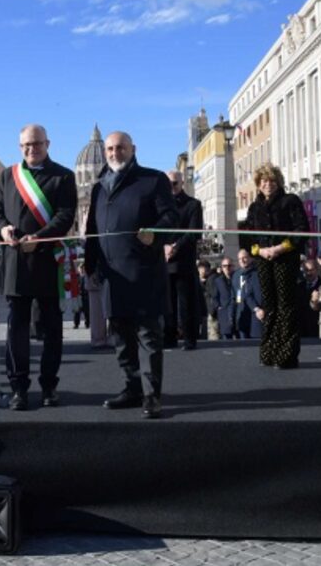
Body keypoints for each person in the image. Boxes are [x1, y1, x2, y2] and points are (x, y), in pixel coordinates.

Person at [85, 131, 177, 419]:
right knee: (121, 338)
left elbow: (171, 217)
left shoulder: (153, 179)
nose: (114, 153)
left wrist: (156, 233)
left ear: (132, 149)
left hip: (144, 273)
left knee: (148, 337)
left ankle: (152, 395)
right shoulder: (99, 186)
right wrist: (89, 263)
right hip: (112, 276)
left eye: (120, 148)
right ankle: (132, 387)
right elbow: (92, 229)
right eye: (110, 149)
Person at [0, 124, 77, 410]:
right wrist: (2, 230)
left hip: (47, 260)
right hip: (16, 263)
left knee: (51, 329)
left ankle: (49, 385)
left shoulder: (63, 176)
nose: (31, 149)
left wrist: (38, 239)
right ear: (20, 147)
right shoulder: (8, 175)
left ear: (47, 144)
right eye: (26, 145)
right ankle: (18, 387)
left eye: (36, 144)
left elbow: (65, 216)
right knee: (17, 329)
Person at [244, 163, 309, 369]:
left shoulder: (291, 201)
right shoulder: (254, 207)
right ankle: (269, 352)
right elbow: (249, 236)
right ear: (258, 184)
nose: (267, 184)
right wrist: (260, 251)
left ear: (278, 182)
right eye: (263, 181)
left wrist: (280, 248)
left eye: (271, 180)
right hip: (263, 260)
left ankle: (287, 355)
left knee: (286, 306)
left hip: (285, 258)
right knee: (269, 305)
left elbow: (302, 230)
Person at [163, 170, 204, 350]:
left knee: (186, 302)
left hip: (184, 260)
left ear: (181, 184)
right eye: (168, 184)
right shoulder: (160, 205)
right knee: (167, 302)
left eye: (174, 183)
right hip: (164, 260)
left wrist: (175, 246)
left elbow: (194, 232)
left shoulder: (193, 205)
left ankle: (189, 338)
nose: (171, 188)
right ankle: (169, 337)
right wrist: (163, 246)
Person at [232, 249, 262, 339]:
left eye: (244, 258)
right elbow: (235, 293)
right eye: (240, 259)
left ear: (250, 258)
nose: (242, 260)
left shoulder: (257, 272)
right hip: (241, 312)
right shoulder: (236, 275)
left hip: (255, 314)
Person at [298, 259, 321, 339]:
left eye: (311, 270)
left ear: (317, 270)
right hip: (302, 327)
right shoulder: (299, 286)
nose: (308, 273)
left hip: (317, 326)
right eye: (306, 270)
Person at [211, 257, 235, 339]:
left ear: (233, 266)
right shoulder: (218, 281)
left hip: (237, 312)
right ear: (222, 268)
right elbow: (214, 297)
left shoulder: (237, 278)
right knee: (226, 340)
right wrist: (218, 307)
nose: (227, 268)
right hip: (224, 314)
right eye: (224, 266)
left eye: (229, 265)